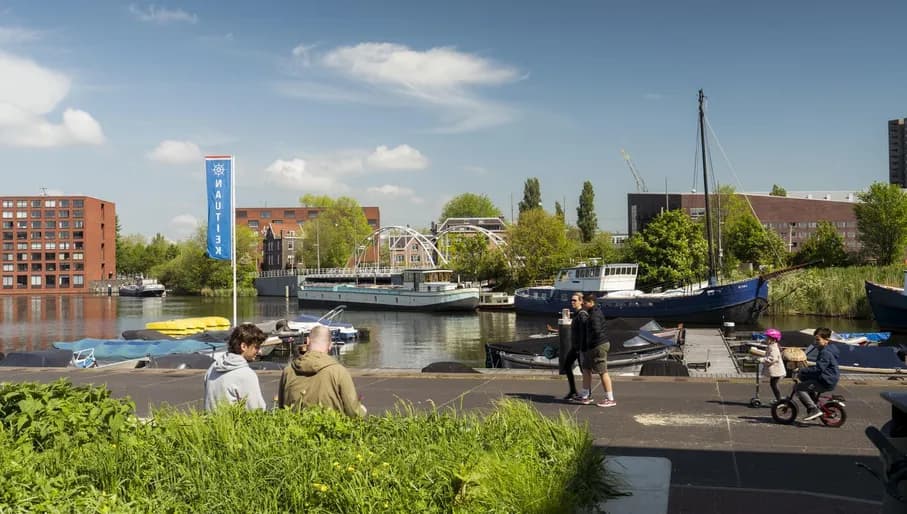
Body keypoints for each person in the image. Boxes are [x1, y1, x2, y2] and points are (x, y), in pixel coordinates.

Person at [277, 325, 366, 417]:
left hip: (294, 428)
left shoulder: (288, 371)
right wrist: (362, 410)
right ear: (330, 346)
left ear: (307, 341)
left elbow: (281, 408)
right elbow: (353, 412)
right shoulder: (339, 372)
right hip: (330, 428)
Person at [203, 323, 268, 411]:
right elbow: (256, 411)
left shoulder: (212, 368)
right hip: (234, 424)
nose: (259, 351)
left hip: (212, 423)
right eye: (256, 347)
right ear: (244, 346)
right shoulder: (246, 375)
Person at [576, 293, 615, 408]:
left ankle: (610, 398)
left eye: (585, 302)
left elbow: (596, 331)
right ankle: (585, 395)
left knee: (603, 371)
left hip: (598, 346)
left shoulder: (594, 315)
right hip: (592, 346)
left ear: (591, 302)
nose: (583, 304)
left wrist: (591, 344)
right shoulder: (593, 312)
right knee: (586, 368)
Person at [795, 327, 839, 421]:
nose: (815, 341)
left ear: (826, 340)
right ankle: (815, 405)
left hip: (826, 380)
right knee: (806, 382)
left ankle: (813, 409)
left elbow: (819, 369)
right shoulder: (828, 350)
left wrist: (802, 370)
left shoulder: (825, 352)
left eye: (818, 339)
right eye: (815, 339)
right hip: (827, 378)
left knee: (799, 388)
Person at [561, 292, 585, 401]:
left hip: (580, 347)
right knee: (566, 366)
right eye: (572, 300)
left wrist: (582, 347)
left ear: (581, 301)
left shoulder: (582, 314)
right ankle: (573, 390)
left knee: (584, 371)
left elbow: (585, 330)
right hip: (575, 347)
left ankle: (586, 393)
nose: (572, 302)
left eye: (575, 300)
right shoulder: (576, 314)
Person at [760, 328, 786, 403]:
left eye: (767, 338)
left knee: (774, 385)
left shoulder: (773, 347)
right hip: (776, 371)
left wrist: (761, 360)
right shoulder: (772, 346)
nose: (766, 339)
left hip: (777, 372)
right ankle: (779, 399)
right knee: (773, 385)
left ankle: (779, 400)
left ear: (773, 339)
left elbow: (772, 359)